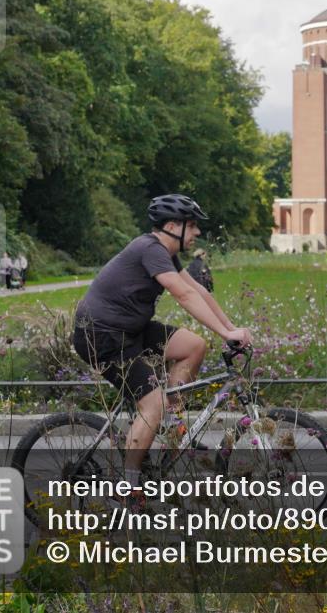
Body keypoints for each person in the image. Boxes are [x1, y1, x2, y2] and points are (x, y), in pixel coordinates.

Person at [71, 194, 253, 507]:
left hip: (132, 330)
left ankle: (171, 423)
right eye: (192, 225)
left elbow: (198, 290)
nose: (196, 233)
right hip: (101, 336)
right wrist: (225, 331)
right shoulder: (149, 248)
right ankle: (128, 488)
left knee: (194, 346)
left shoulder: (166, 254)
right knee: (151, 401)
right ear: (172, 226)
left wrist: (231, 329)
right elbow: (182, 294)